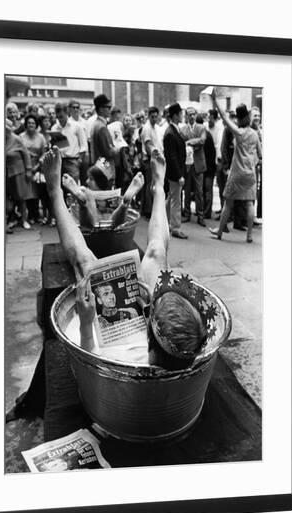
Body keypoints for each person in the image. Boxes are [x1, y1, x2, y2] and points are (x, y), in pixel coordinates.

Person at [43, 147, 208, 370]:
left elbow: (87, 364)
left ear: (150, 334)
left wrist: (85, 322)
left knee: (84, 262)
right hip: (153, 338)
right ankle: (158, 189)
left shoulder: (124, 364)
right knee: (157, 252)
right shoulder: (189, 348)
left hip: (114, 348)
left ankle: (55, 193)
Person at [208, 88, 262, 243]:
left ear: (239, 119)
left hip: (237, 172)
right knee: (250, 203)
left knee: (228, 202)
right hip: (250, 173)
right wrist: (253, 163)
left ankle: (219, 231)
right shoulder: (254, 134)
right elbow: (260, 155)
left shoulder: (238, 132)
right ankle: (249, 235)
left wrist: (215, 100)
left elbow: (224, 117)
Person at [61, 158, 144, 230]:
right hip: (112, 234)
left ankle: (83, 205)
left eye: (91, 179)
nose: (87, 182)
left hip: (91, 232)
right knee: (117, 217)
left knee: (85, 211)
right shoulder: (85, 192)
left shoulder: (114, 196)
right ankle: (124, 204)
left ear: (100, 182)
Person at [163, 102, 188, 239]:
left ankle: (164, 222)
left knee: (171, 198)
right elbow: (171, 157)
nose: (182, 116)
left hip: (175, 172)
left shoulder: (173, 130)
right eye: (180, 114)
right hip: (175, 173)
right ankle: (176, 228)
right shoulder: (170, 133)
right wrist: (179, 175)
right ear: (175, 115)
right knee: (176, 201)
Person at [180, 107, 207, 226]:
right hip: (187, 163)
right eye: (189, 115)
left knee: (199, 191)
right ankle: (186, 214)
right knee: (186, 189)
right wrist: (190, 142)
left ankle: (200, 215)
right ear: (186, 116)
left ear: (196, 115)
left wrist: (189, 142)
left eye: (193, 114)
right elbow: (181, 142)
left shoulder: (201, 128)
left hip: (198, 164)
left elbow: (202, 140)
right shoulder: (183, 129)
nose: (191, 116)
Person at [20, 114, 47, 224]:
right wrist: (27, 168)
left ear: (36, 125)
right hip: (24, 166)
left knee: (36, 192)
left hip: (37, 166)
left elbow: (44, 154)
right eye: (29, 123)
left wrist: (37, 166)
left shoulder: (41, 137)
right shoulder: (21, 137)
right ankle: (29, 215)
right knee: (27, 192)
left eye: (33, 123)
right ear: (26, 124)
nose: (31, 125)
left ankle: (36, 215)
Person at [51, 102, 88, 184]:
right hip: (59, 161)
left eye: (61, 117)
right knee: (60, 186)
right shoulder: (54, 128)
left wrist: (79, 160)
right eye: (58, 117)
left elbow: (83, 145)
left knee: (72, 188)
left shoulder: (76, 126)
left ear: (66, 113)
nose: (60, 119)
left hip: (72, 161)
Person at [5, 125, 33, 231]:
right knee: (8, 196)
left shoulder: (16, 139)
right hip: (6, 171)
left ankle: (24, 220)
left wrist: (28, 169)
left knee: (21, 197)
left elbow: (26, 153)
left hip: (18, 170)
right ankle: (11, 219)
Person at [89, 94, 117, 184]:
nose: (110, 110)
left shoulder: (96, 124)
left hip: (99, 166)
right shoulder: (101, 127)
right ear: (101, 109)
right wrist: (119, 148)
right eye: (108, 107)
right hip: (105, 168)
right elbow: (108, 152)